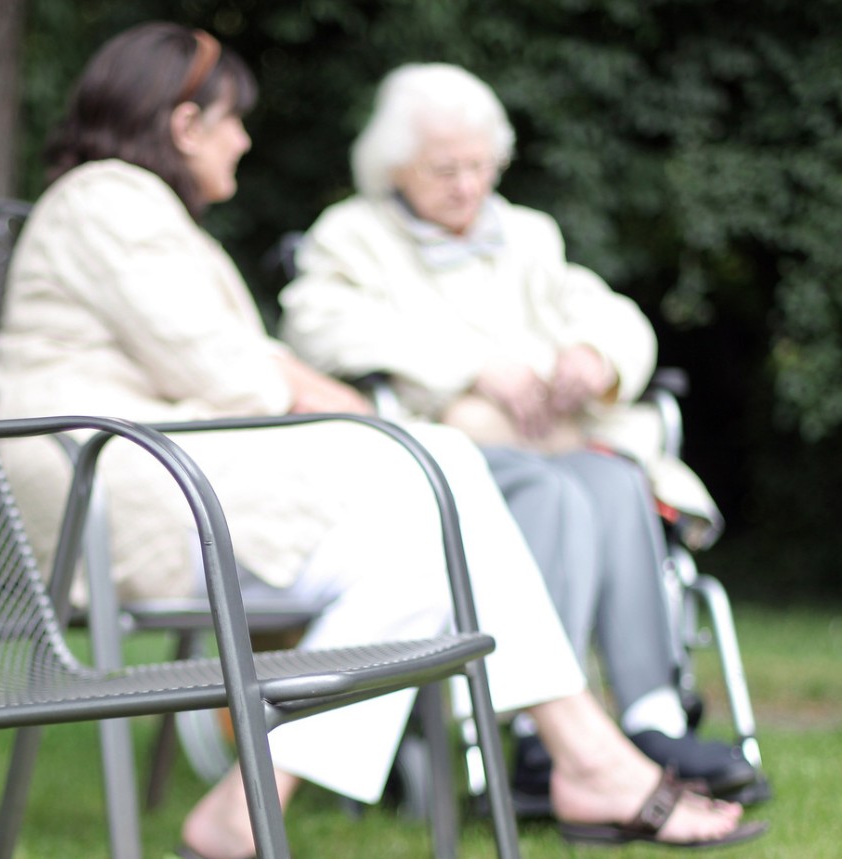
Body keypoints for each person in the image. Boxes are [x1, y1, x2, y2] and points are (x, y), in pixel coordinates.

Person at [0, 23, 764, 857]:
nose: (245, 139)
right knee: (441, 467)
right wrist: (380, 423)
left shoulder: (132, 208)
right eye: (233, 120)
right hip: (115, 493)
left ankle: (249, 806)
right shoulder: (110, 199)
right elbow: (229, 369)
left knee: (432, 547)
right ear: (184, 125)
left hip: (163, 471)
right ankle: (590, 759)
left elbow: (230, 365)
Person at [278, 62, 760, 808]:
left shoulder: (527, 235)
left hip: (557, 442)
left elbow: (609, 312)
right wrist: (473, 367)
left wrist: (592, 359)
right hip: (442, 455)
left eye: (480, 166)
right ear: (394, 165)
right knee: (556, 490)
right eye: (446, 169)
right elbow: (319, 323)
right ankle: (539, 738)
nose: (468, 186)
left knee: (616, 476)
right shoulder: (353, 237)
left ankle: (651, 716)